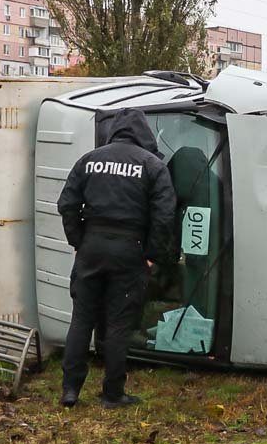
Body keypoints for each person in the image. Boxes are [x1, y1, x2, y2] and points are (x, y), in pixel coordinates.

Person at [58, 108, 177, 409]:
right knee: (119, 323)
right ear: (144, 133)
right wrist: (151, 255)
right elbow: (164, 216)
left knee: (82, 319)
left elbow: (67, 204)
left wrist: (78, 242)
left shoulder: (89, 160)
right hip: (130, 249)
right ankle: (112, 393)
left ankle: (70, 390)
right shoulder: (152, 165)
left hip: (91, 247)